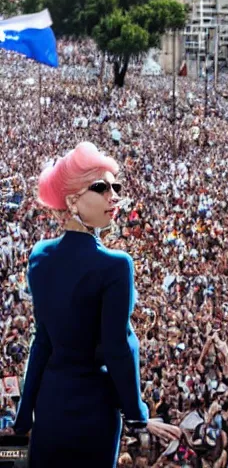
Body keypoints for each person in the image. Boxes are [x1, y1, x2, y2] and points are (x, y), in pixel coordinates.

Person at [9, 142, 180, 467]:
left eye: (115, 186)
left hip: (50, 405)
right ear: (72, 200)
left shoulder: (40, 256)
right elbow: (119, 346)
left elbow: (41, 341)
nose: (113, 196)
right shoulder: (116, 265)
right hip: (94, 412)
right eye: (101, 188)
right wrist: (137, 414)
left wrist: (24, 415)